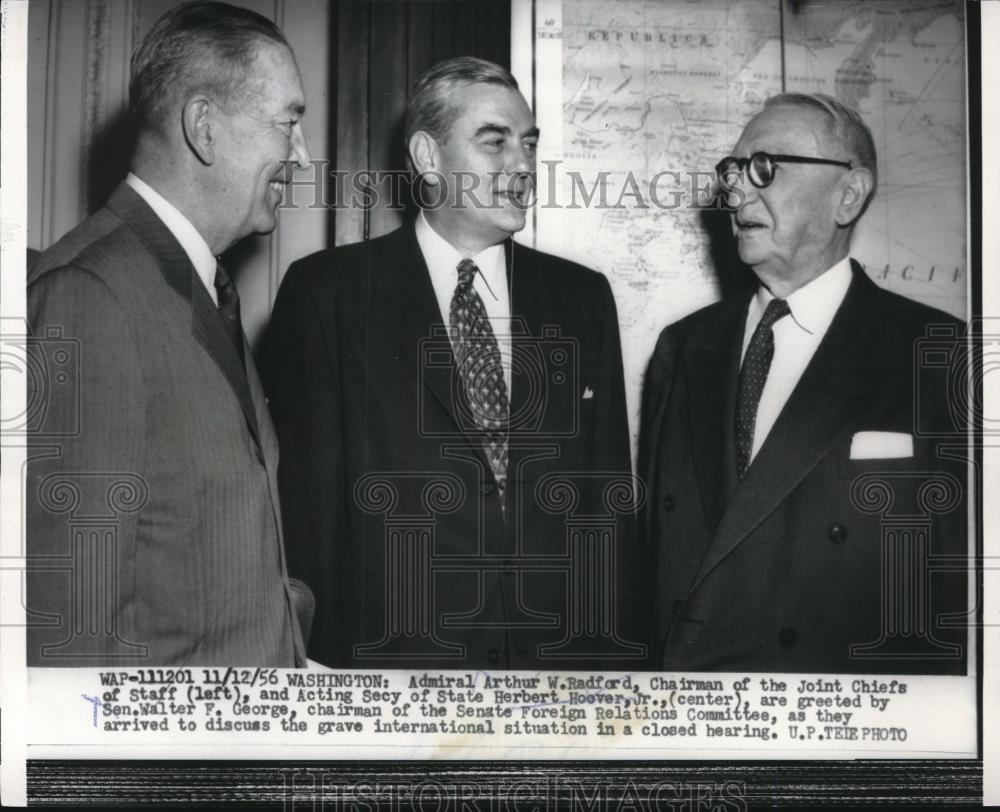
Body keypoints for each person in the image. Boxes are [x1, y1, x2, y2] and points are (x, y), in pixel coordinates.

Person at [260, 56, 644, 669]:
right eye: (494, 143)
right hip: (391, 669)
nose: (522, 166)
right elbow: (307, 515)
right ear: (427, 157)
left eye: (528, 144)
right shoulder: (328, 294)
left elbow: (606, 503)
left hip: (554, 671)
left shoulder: (582, 297)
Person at [639, 93, 968, 674]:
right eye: (733, 171)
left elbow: (961, 588)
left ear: (848, 194)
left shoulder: (939, 352)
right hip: (688, 721)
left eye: (765, 167)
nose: (737, 192)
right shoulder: (683, 347)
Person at [26, 1, 312, 666]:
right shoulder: (87, 296)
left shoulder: (197, 286)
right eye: (288, 124)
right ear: (205, 128)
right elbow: (66, 638)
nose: (301, 155)